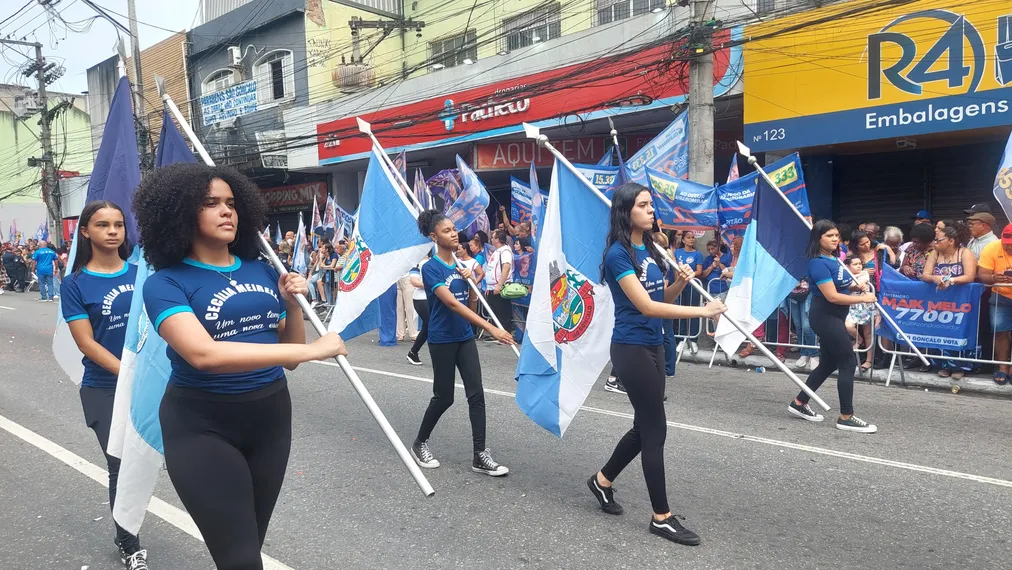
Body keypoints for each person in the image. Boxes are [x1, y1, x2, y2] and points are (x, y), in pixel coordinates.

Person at [133, 163, 348, 569]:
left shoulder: (264, 270)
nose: (226, 211)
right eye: (210, 203)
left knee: (248, 543)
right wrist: (311, 351)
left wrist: (290, 305)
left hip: (269, 418)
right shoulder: (164, 283)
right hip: (201, 424)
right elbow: (204, 354)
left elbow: (290, 353)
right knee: (241, 560)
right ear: (180, 212)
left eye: (231, 203)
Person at [587, 183, 726, 546]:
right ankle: (661, 518)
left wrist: (679, 284)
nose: (651, 210)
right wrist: (703, 309)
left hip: (654, 344)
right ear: (625, 211)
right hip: (631, 348)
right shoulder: (618, 255)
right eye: (644, 205)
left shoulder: (648, 249)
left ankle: (601, 480)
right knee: (655, 431)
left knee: (643, 426)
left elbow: (657, 298)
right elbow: (645, 308)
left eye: (651, 205)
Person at [60, 201, 147, 569]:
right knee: (121, 465)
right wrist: (131, 373)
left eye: (118, 225)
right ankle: (129, 544)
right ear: (86, 232)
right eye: (102, 225)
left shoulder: (143, 274)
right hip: (104, 388)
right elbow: (87, 343)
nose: (112, 231)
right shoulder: (75, 284)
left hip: (151, 383)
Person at [410, 209, 515, 477]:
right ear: (434, 236)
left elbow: (468, 302)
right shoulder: (431, 267)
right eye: (446, 230)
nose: (454, 233)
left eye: (454, 228)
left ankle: (480, 455)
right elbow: (450, 303)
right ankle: (419, 443)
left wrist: (470, 283)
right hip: (442, 339)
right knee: (444, 397)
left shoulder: (460, 265)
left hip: (464, 337)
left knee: (476, 395)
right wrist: (492, 328)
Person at [789, 220, 878, 434]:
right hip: (825, 317)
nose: (834, 238)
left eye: (836, 235)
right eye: (829, 235)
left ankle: (799, 403)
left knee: (828, 364)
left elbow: (840, 284)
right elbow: (832, 296)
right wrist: (863, 298)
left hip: (836, 317)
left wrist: (856, 285)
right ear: (818, 238)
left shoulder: (835, 260)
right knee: (847, 362)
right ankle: (846, 416)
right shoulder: (817, 263)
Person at [922, 222, 977, 379]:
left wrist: (951, 280)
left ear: (951, 241)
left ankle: (960, 366)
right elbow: (925, 275)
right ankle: (943, 364)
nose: (934, 243)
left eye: (938, 240)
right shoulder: (935, 253)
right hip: (939, 302)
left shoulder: (964, 253)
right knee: (941, 331)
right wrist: (934, 278)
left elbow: (969, 276)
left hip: (962, 302)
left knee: (959, 332)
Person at [978, 225, 1012, 385]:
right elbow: (982, 274)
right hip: (1000, 295)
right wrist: (994, 277)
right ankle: (1003, 367)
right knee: (1000, 332)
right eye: (1006, 243)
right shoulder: (992, 247)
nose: (1009, 246)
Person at [843, 255, 878, 375]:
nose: (858, 266)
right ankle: (859, 339)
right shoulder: (844, 275)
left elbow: (860, 283)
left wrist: (854, 280)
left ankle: (869, 360)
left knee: (868, 333)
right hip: (852, 304)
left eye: (860, 263)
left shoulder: (864, 274)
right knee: (848, 326)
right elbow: (848, 286)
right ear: (848, 266)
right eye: (855, 264)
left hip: (865, 305)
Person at [673, 231, 704, 355]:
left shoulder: (698, 254)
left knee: (693, 312)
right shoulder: (677, 252)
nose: (691, 240)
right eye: (689, 238)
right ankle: (682, 339)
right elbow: (674, 268)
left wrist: (689, 274)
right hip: (680, 286)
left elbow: (699, 271)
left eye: (693, 238)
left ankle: (693, 340)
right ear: (683, 240)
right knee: (680, 312)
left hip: (692, 286)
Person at [485, 229, 514, 337]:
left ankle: (506, 334)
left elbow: (506, 267)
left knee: (503, 312)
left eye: (493, 237)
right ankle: (498, 334)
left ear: (497, 239)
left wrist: (499, 285)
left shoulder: (505, 251)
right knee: (495, 312)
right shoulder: (497, 251)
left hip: (500, 287)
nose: (491, 239)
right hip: (492, 287)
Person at [405, 253, 431, 366]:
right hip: (421, 299)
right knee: (432, 324)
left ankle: (413, 352)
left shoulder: (434, 261)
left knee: (427, 327)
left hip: (433, 297)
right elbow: (415, 282)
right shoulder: (416, 262)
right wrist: (433, 285)